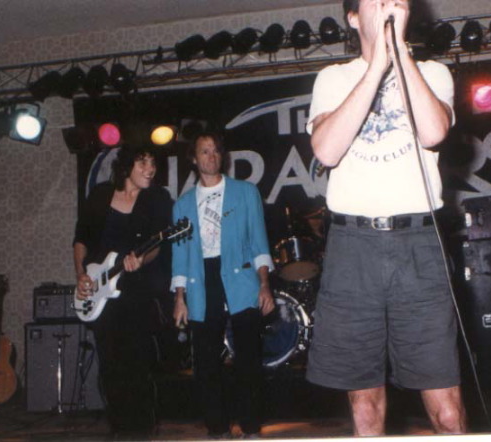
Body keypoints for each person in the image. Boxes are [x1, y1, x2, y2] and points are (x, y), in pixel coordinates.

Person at [305, 0, 467, 436]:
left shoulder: (433, 72)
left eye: (398, 0)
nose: (389, 6)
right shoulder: (333, 78)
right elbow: (326, 150)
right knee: (365, 407)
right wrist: (376, 66)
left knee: (447, 412)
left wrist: (398, 56)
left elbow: (433, 132)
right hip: (353, 246)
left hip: (418, 245)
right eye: (377, 0)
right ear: (353, 17)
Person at [171, 131, 275, 439]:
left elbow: (258, 242)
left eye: (216, 150)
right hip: (201, 280)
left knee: (248, 357)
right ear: (194, 159)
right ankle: (217, 430)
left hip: (241, 277)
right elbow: (180, 255)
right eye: (204, 151)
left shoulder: (246, 192)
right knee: (206, 362)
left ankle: (251, 427)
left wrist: (264, 285)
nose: (211, 156)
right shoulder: (182, 205)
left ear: (223, 156)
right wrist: (180, 298)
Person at [73, 145, 172, 439]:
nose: (150, 169)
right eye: (143, 162)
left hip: (136, 292)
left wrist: (141, 259)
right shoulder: (100, 195)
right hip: (99, 291)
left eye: (153, 163)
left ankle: (142, 429)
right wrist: (80, 275)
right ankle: (119, 428)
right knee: (110, 364)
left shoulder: (157, 198)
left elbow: (156, 245)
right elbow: (81, 239)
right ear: (126, 165)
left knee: (138, 362)